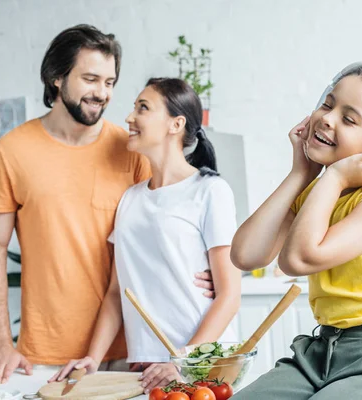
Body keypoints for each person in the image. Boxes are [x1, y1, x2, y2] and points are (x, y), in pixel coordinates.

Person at [0, 25, 215, 385]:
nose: (102, 93)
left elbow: (173, 220)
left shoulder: (131, 148)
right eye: (90, 79)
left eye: (109, 82)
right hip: (44, 357)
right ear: (56, 77)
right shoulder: (11, 152)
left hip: (133, 352)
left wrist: (209, 269)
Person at [230, 63, 362, 399]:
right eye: (328, 104)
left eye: (349, 118)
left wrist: (335, 176)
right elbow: (245, 254)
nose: (327, 118)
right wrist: (301, 173)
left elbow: (299, 258)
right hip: (322, 351)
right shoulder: (317, 195)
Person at [49, 78, 242, 393]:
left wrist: (183, 361)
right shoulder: (130, 199)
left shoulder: (210, 191)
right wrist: (92, 360)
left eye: (143, 108)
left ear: (175, 124)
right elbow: (117, 292)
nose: (129, 117)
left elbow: (229, 295)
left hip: (203, 364)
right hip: (148, 365)